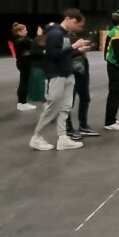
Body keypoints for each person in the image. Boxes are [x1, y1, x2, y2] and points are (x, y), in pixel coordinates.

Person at [29, 9, 90, 151]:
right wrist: (74, 47)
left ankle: (62, 137)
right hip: (56, 74)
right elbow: (52, 54)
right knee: (53, 107)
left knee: (65, 107)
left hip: (67, 73)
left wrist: (77, 51)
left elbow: (63, 54)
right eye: (76, 23)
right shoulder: (56, 34)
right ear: (68, 19)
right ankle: (37, 136)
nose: (77, 27)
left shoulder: (62, 34)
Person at [65, 20, 100, 139]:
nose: (80, 28)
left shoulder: (75, 36)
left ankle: (83, 125)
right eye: (78, 25)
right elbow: (64, 54)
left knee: (85, 98)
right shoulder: (64, 37)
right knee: (69, 102)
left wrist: (84, 48)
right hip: (72, 72)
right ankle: (68, 128)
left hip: (82, 70)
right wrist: (78, 49)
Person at [104, 12, 119, 131]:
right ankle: (109, 121)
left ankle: (112, 118)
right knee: (114, 94)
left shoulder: (115, 32)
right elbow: (118, 52)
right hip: (115, 67)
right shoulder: (116, 33)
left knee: (116, 94)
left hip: (114, 66)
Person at [11, 23, 37, 111]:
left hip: (23, 62)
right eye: (25, 30)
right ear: (19, 32)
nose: (27, 31)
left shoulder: (22, 40)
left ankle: (21, 103)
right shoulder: (22, 41)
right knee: (24, 82)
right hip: (25, 63)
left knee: (24, 82)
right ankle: (23, 103)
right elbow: (33, 46)